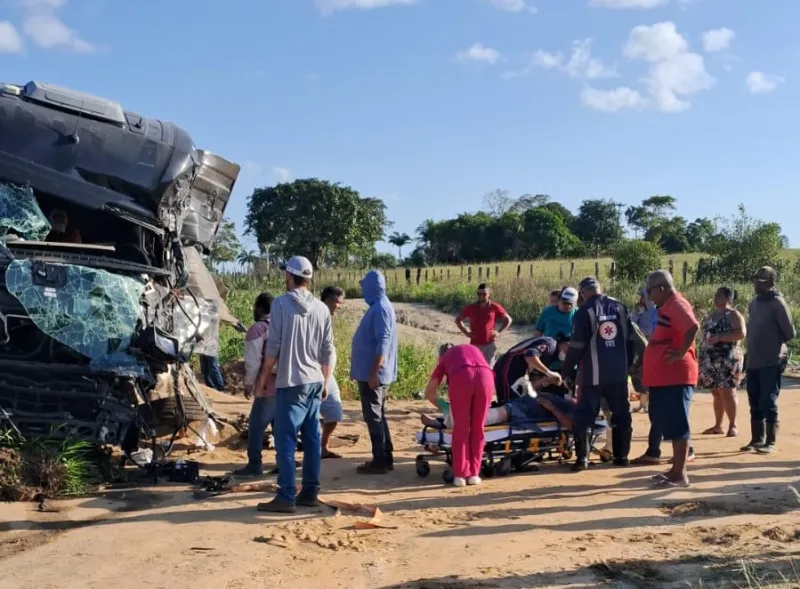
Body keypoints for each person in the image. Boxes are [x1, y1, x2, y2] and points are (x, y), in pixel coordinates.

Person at [254, 256, 334, 513]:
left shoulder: (280, 305)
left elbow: (274, 346)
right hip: (314, 381)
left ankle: (286, 495)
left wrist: (263, 380)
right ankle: (310, 491)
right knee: (312, 438)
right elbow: (327, 349)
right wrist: (325, 381)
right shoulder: (322, 308)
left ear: (289, 276)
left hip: (291, 382)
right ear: (308, 279)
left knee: (285, 440)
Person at [561, 277, 634, 471]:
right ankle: (621, 457)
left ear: (583, 293)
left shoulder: (584, 313)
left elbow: (576, 346)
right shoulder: (620, 307)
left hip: (592, 375)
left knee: (585, 415)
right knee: (621, 414)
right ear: (599, 289)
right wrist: (628, 367)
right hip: (618, 374)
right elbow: (631, 341)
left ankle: (582, 460)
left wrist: (566, 371)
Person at [637, 270, 699, 488]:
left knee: (677, 422)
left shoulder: (677, 304)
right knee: (666, 421)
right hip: (664, 378)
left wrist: (681, 353)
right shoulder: (667, 306)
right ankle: (675, 471)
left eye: (650, 290)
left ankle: (680, 474)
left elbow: (693, 326)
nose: (648, 296)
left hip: (676, 376)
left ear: (662, 288)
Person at [423, 343, 494, 486]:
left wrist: (446, 407)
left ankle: (460, 475)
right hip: (486, 377)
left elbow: (429, 393)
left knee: (461, 430)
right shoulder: (473, 350)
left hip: (462, 378)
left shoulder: (445, 359)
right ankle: (474, 474)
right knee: (478, 428)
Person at [742, 266, 796, 454]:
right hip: (754, 359)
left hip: (771, 359)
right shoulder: (754, 303)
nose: (757, 283)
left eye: (762, 281)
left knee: (768, 399)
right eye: (756, 280)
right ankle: (757, 438)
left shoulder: (777, 303)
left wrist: (775, 346)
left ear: (771, 283)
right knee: (754, 399)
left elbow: (790, 332)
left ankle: (770, 441)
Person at [351, 270, 399, 475]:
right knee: (378, 414)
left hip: (373, 375)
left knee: (373, 416)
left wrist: (373, 372)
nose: (362, 289)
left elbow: (383, 343)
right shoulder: (379, 306)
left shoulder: (380, 308)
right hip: (372, 373)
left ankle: (380, 459)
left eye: (364, 286)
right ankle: (385, 455)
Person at [233, 292, 276, 477]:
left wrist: (249, 384)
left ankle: (255, 464)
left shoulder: (258, 329)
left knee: (256, 426)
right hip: (286, 384)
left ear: (259, 308)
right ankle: (284, 462)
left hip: (266, 386)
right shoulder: (281, 326)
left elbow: (253, 362)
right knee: (280, 427)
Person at [698, 287, 746, 438]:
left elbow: (741, 333)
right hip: (710, 359)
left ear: (728, 298)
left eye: (719, 295)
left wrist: (720, 337)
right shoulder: (712, 316)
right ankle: (718, 425)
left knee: (727, 391)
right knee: (716, 392)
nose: (715, 297)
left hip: (727, 358)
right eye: (715, 295)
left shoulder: (733, 315)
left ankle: (733, 425)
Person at [422, 392, 577, 432]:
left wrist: (552, 408)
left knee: (486, 414)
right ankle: (441, 419)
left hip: (519, 412)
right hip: (517, 404)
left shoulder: (573, 409)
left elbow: (571, 426)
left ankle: (445, 418)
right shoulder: (567, 399)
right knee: (476, 409)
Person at [493, 334, 571, 400]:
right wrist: (549, 373)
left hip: (517, 374)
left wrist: (544, 381)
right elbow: (530, 355)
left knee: (514, 400)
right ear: (563, 342)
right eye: (569, 347)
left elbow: (533, 380)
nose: (567, 353)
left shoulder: (552, 356)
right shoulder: (550, 343)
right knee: (507, 401)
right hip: (507, 367)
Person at [455, 284, 513, 366]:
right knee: (475, 369)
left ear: (489, 294)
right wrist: (466, 332)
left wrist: (499, 332)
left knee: (489, 370)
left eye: (484, 294)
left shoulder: (494, 307)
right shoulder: (471, 307)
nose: (481, 296)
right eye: (479, 294)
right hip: (475, 345)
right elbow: (458, 320)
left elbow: (508, 320)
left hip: (489, 345)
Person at [320, 286, 345, 459]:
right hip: (313, 371)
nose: (339, 306)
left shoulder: (327, 317)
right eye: (337, 302)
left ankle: (324, 447)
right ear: (327, 300)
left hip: (327, 373)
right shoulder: (315, 315)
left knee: (335, 411)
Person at [533, 287, 578, 371]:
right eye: (564, 302)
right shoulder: (547, 312)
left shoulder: (578, 314)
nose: (567, 306)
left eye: (570, 303)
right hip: (549, 349)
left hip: (569, 353)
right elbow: (537, 332)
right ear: (559, 300)